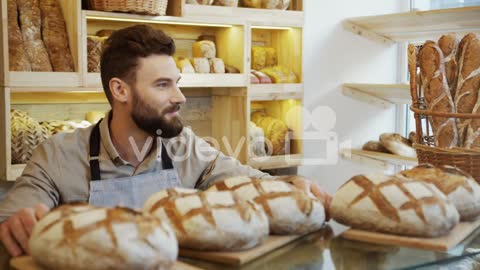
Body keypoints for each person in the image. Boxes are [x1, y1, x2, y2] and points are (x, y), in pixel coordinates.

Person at [0, 24, 331, 257]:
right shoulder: (58, 155)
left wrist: (290, 183)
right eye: (162, 85)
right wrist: (20, 222)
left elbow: (246, 179)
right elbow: (12, 219)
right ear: (120, 90)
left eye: (177, 83)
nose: (180, 97)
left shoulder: (185, 146)